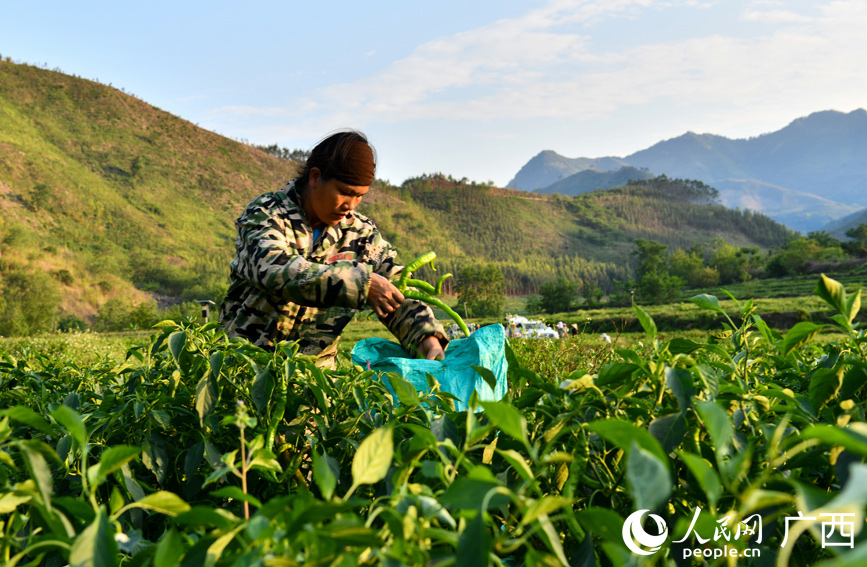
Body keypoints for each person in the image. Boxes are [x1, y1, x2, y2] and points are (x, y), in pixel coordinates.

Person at [219, 130, 447, 367]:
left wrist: (426, 336)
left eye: (359, 196)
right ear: (315, 178)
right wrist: (361, 284)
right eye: (345, 192)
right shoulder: (267, 213)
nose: (350, 206)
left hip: (315, 383)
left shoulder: (361, 235)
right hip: (244, 372)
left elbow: (396, 291)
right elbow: (273, 269)